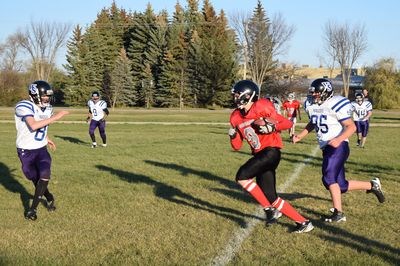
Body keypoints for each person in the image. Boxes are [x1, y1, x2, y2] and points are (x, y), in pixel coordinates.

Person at [292, 78, 385, 223]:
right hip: (327, 147)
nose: (314, 95)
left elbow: (351, 126)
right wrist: (300, 135)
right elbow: (314, 122)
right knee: (340, 185)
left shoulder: (335, 103)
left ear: (325, 92)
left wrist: (338, 139)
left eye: (316, 93)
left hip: (338, 146)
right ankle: (372, 185)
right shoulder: (311, 105)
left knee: (328, 178)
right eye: (313, 93)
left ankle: (338, 213)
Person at [228, 80, 314, 233]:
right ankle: (303, 222)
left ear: (248, 95)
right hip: (259, 154)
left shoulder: (262, 106)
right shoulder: (235, 116)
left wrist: (273, 126)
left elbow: (287, 123)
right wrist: (233, 135)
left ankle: (269, 210)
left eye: (237, 95)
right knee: (271, 197)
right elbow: (237, 146)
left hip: (271, 151)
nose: (234, 98)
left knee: (242, 176)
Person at [15, 80, 69, 220]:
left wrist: (46, 138)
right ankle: (49, 197)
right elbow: (33, 125)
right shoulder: (24, 105)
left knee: (45, 174)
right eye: (44, 96)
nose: (46, 98)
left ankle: (32, 210)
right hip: (25, 150)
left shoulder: (48, 108)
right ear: (34, 94)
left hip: (41, 149)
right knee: (35, 179)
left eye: (47, 96)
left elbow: (42, 127)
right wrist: (56, 117)